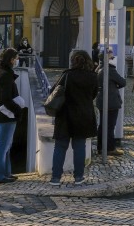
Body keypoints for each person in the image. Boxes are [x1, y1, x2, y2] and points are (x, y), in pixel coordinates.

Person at [50, 49, 98, 186]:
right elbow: (93, 95)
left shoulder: (67, 75)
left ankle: (55, 178)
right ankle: (78, 177)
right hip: (83, 116)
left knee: (60, 147)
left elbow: (53, 92)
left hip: (65, 115)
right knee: (79, 147)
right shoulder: (93, 77)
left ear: (72, 61)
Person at [0, 48, 22, 184]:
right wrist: (18, 110)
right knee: (3, 145)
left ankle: (6, 173)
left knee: (6, 145)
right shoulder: (5, 75)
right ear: (11, 60)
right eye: (16, 58)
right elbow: (6, 99)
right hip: (5, 115)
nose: (17, 60)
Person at [95, 50, 126, 155]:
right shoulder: (110, 70)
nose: (112, 58)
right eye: (111, 57)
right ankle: (110, 148)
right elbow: (122, 82)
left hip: (101, 100)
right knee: (110, 126)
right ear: (107, 58)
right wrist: (116, 85)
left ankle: (100, 147)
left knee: (102, 125)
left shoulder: (98, 69)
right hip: (111, 101)